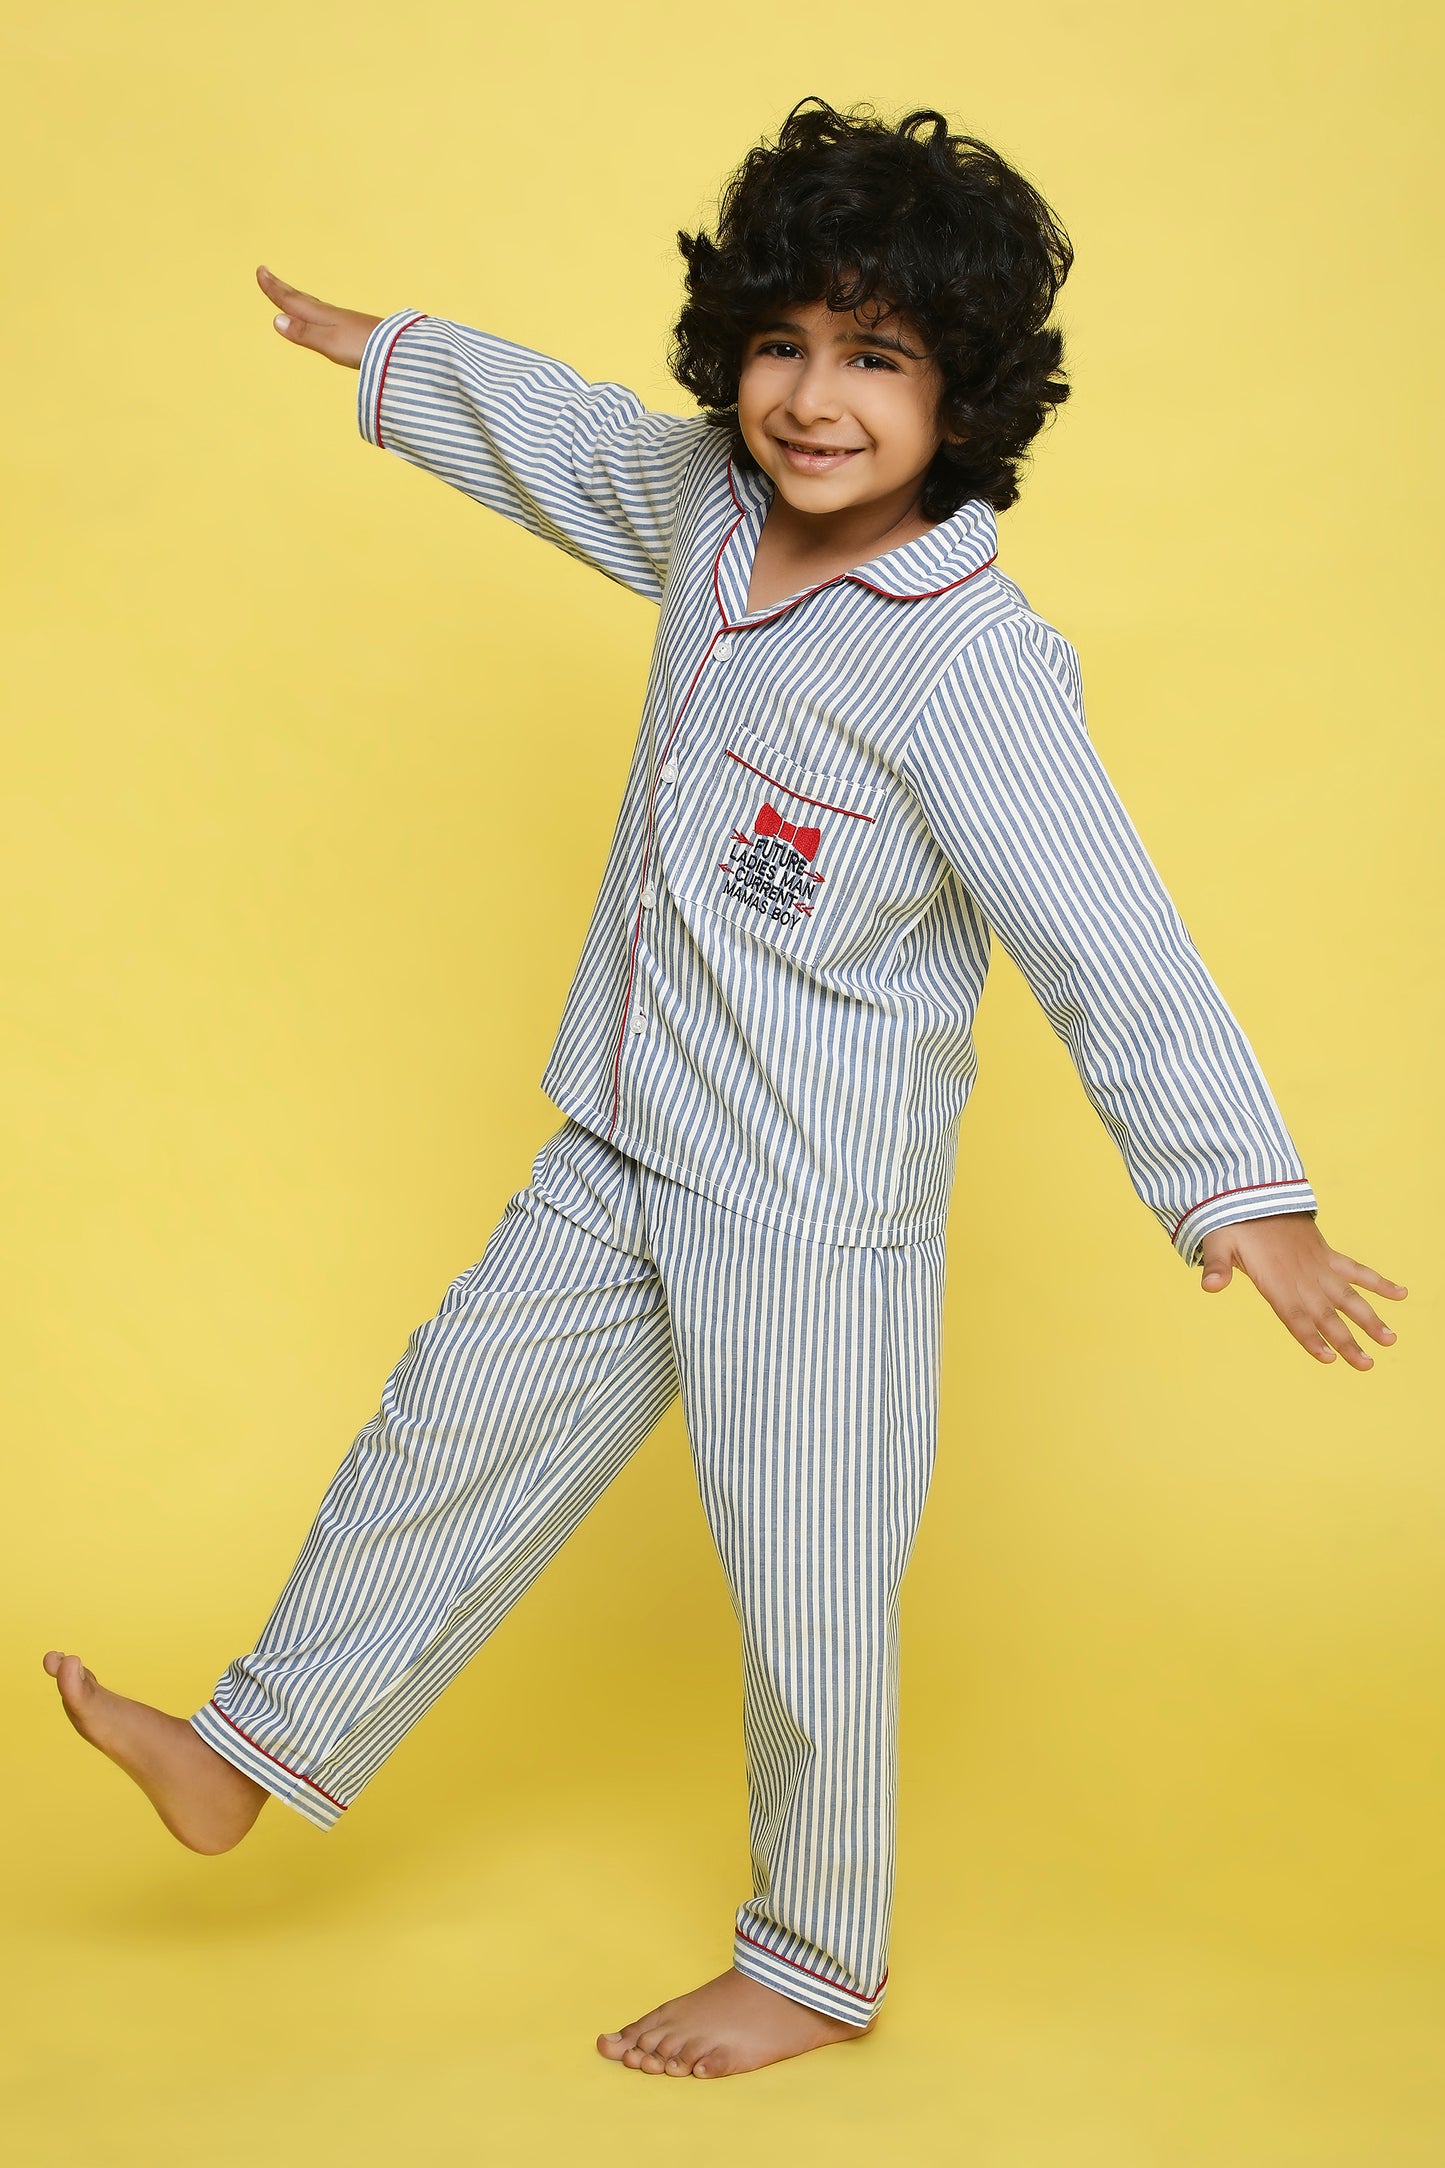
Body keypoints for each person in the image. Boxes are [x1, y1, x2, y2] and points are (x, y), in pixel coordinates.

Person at [43, 98, 1407, 2082]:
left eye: (879, 357)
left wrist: (1241, 1202)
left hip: (803, 1205)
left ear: (969, 393)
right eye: (782, 342)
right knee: (448, 1424)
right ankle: (252, 1749)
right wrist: (397, 360)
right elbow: (584, 444)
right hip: (624, 1124)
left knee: (802, 1589)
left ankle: (815, 1955)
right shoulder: (710, 510)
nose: (814, 397)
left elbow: (1112, 934)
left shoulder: (971, 666)